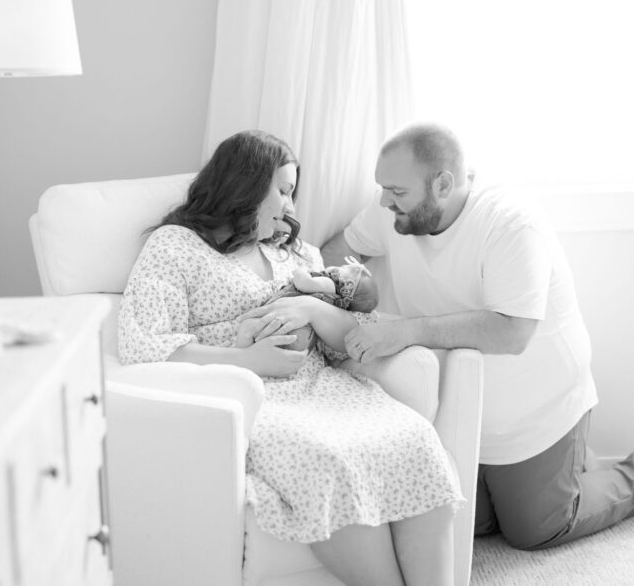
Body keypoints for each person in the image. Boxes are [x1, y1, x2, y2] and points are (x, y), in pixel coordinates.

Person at [321, 121, 634, 551]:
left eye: (398, 192)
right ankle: (565, 474)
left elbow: (512, 331)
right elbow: (341, 248)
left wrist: (404, 332)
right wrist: (316, 281)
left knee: (535, 529)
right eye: (383, 189)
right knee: (459, 519)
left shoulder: (510, 223)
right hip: (465, 408)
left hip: (534, 409)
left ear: (443, 184)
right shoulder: (393, 210)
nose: (385, 201)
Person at [118, 130, 463, 586]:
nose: (291, 206)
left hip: (323, 385)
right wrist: (248, 363)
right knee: (327, 459)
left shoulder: (294, 252)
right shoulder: (174, 246)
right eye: (283, 190)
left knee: (416, 440)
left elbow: (351, 339)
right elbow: (145, 345)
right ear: (246, 184)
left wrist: (315, 309)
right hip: (250, 399)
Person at [235, 257, 378, 352]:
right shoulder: (332, 303)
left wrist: (300, 271)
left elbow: (304, 283)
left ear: (348, 284)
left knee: (247, 327)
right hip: (301, 337)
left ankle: (241, 357)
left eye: (342, 267)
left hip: (290, 328)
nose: (335, 267)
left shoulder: (329, 284)